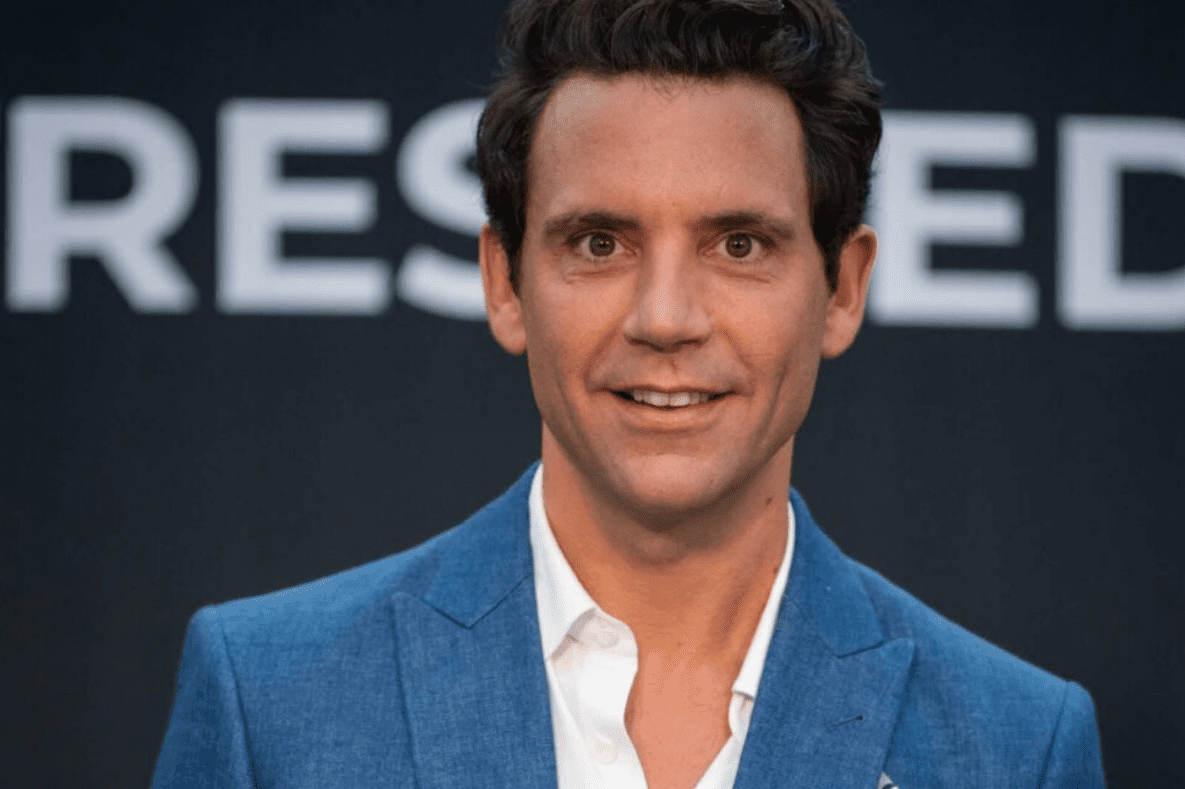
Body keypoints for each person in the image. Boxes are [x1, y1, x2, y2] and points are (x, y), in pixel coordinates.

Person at [152, 0, 1107, 787]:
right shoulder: (267, 697)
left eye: (739, 245)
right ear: (503, 282)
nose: (664, 317)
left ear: (842, 290)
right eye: (600, 243)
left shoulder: (1017, 745)